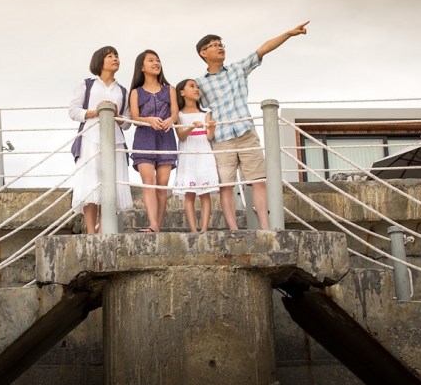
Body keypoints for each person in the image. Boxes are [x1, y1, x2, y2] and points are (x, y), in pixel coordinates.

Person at [195, 21, 309, 230]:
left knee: (258, 181)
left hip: (246, 132)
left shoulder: (237, 69)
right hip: (221, 138)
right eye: (214, 45)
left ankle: (265, 228)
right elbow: (184, 100)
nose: (220, 47)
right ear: (203, 52)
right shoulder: (199, 82)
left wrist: (289, 34)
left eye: (221, 44)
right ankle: (233, 229)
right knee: (226, 186)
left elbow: (263, 49)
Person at [68, 46, 133, 233]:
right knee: (90, 184)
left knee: (110, 185)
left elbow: (127, 123)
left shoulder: (122, 90)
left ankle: (106, 230)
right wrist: (96, 112)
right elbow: (73, 111)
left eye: (117, 56)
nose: (115, 59)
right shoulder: (86, 84)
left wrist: (117, 114)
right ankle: (90, 232)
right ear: (100, 61)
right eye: (110, 56)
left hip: (115, 141)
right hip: (90, 138)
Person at [129, 50, 178, 233]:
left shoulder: (170, 89)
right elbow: (134, 117)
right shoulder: (136, 92)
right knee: (149, 181)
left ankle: (157, 224)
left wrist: (170, 120)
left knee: (162, 184)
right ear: (142, 67)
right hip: (144, 138)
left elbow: (175, 113)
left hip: (166, 138)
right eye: (151, 60)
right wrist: (149, 120)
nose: (156, 63)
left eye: (157, 60)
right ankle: (154, 225)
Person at [172, 78, 219, 233]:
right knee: (189, 194)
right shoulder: (178, 115)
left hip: (204, 153)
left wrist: (211, 128)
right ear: (182, 92)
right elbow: (181, 136)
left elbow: (209, 137)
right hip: (188, 154)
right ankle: (193, 230)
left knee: (205, 193)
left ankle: (204, 229)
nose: (196, 89)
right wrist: (191, 127)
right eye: (192, 86)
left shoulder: (206, 113)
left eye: (197, 87)